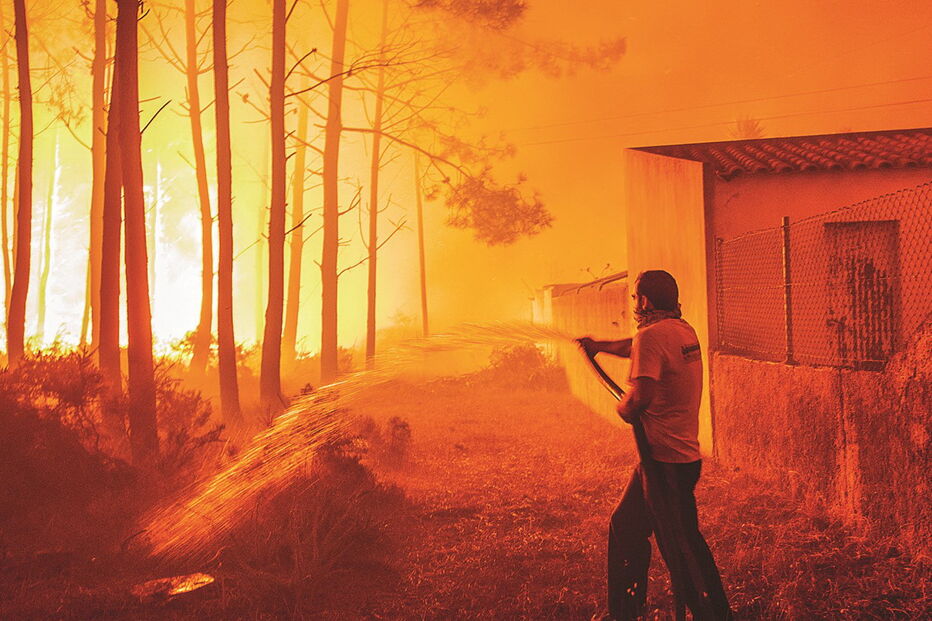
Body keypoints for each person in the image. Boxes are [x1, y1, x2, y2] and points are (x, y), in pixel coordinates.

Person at [578, 269, 732, 620]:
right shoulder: (681, 330)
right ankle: (628, 610)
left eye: (634, 297)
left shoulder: (652, 336)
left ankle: (713, 613)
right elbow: (636, 348)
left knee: (682, 548)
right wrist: (599, 347)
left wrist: (622, 405)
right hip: (677, 460)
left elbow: (639, 401)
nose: (634, 304)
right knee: (629, 528)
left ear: (644, 300)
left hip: (663, 462)